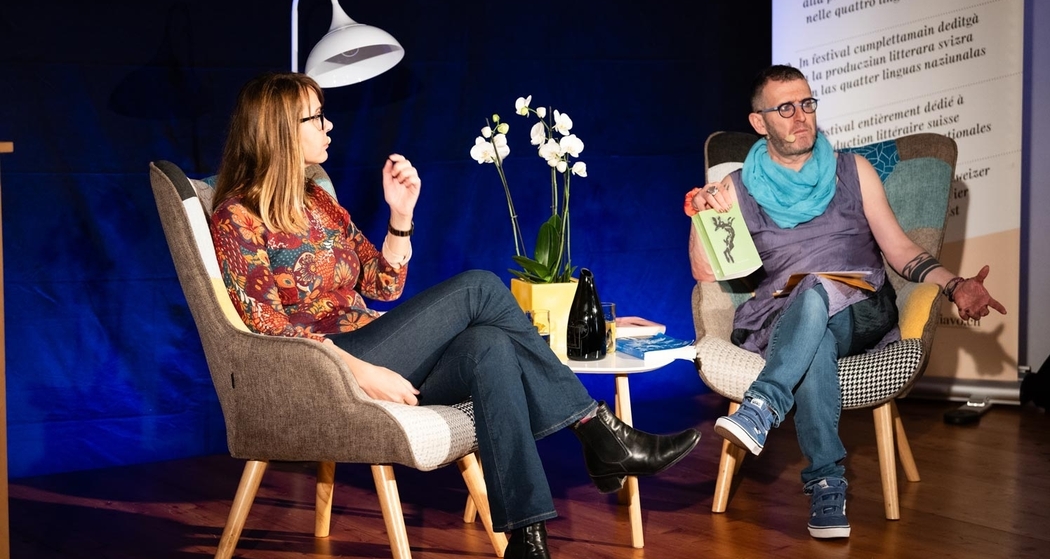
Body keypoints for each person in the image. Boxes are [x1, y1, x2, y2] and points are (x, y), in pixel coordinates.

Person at [209, 72, 700, 559]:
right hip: (321, 371)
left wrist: (401, 216)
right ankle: (599, 432)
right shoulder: (237, 218)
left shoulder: (319, 201)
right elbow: (266, 329)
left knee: (491, 345)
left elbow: (383, 285)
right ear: (277, 130)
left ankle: (528, 543)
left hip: (369, 345)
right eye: (315, 117)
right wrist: (360, 371)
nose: (329, 126)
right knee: (480, 287)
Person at [686, 65, 1006, 539]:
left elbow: (900, 250)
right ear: (760, 123)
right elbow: (707, 275)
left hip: (861, 303)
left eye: (808, 104)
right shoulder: (735, 187)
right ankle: (827, 482)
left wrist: (954, 284)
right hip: (781, 313)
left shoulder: (852, 170)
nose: (802, 117)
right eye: (786, 108)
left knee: (817, 286)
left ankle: (764, 407)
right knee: (812, 330)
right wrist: (700, 215)